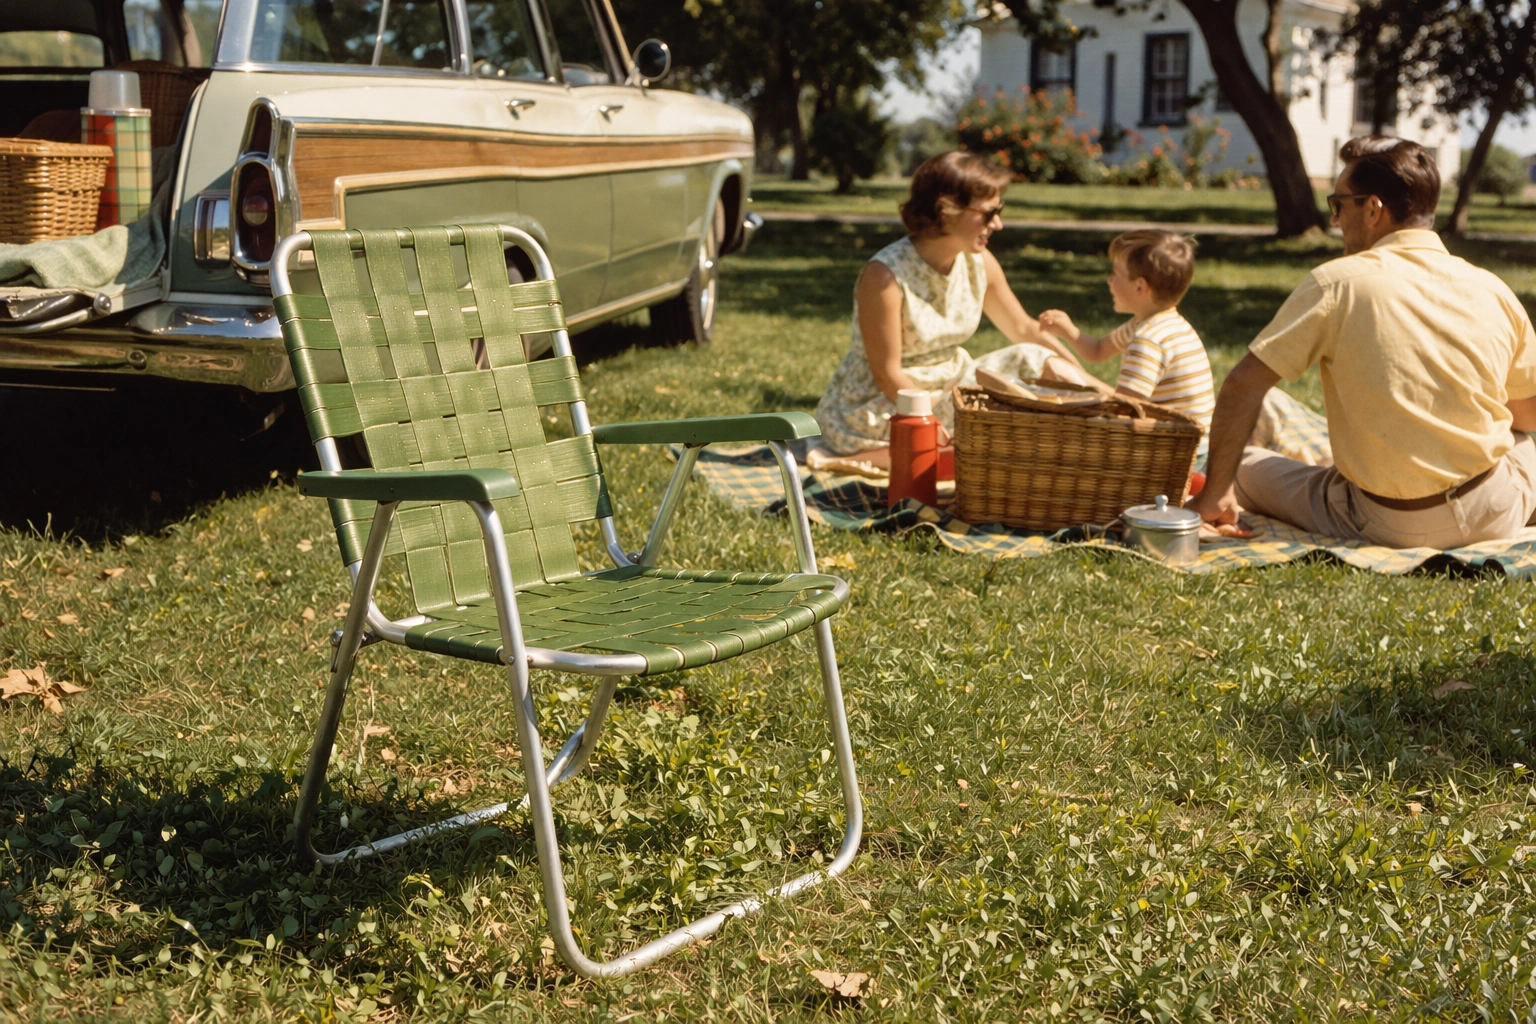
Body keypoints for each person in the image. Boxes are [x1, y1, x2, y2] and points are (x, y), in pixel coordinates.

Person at [1189, 136, 1536, 548]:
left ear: (1372, 209)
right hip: (1493, 512)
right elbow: (1526, 416)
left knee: (1242, 469)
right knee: (1521, 441)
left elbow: (1242, 386)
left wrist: (1214, 495)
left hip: (1387, 522)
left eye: (1338, 205)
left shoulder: (1336, 284)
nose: (1334, 220)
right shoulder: (1492, 289)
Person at [813, 151, 1101, 467]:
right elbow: (887, 374)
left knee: (1034, 360)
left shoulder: (979, 264)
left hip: (949, 387)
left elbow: (1025, 331)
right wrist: (939, 424)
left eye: (999, 211)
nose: (999, 224)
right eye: (989, 213)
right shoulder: (884, 275)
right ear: (946, 209)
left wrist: (1094, 385)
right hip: (887, 405)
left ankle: (1115, 410)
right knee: (1009, 424)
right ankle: (879, 455)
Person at [1038, 230, 1215, 429]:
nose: (1110, 280)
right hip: (1189, 443)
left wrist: (1068, 402)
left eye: (1115, 274)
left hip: (1175, 449)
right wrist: (1069, 332)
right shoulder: (1160, 325)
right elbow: (1098, 350)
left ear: (1140, 287)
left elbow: (1124, 409)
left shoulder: (1148, 340)